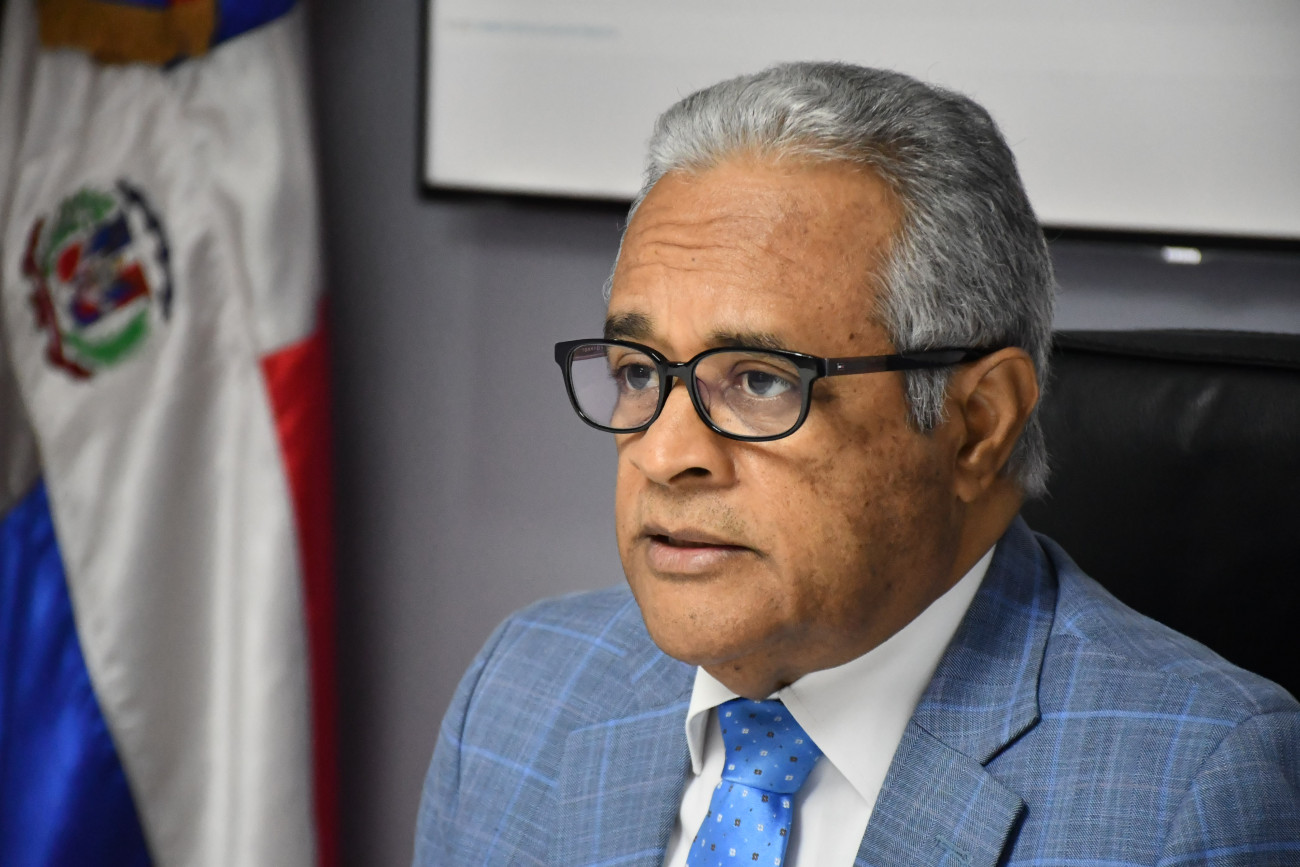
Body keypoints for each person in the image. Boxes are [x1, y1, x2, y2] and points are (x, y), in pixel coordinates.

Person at [414, 62, 1300, 866]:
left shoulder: (1195, 793)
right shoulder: (522, 688)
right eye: (640, 373)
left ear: (977, 423)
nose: (665, 452)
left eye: (760, 380)